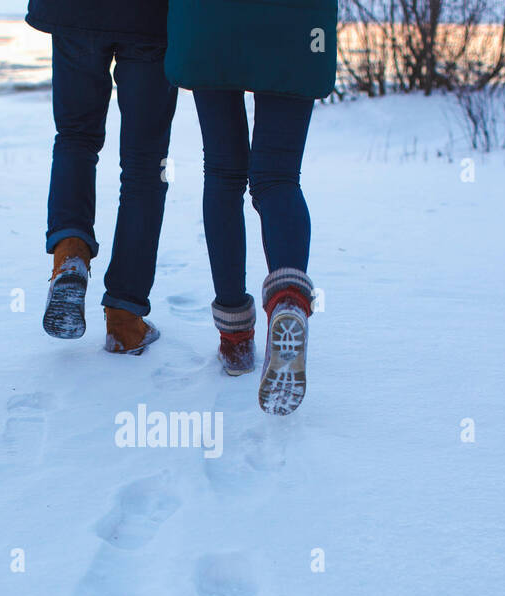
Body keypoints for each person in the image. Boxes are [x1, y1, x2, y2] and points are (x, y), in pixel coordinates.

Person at [165, 0, 337, 414]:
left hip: (212, 19)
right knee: (278, 177)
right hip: (296, 24)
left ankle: (236, 341)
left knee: (223, 173)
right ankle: (289, 301)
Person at [27, 0, 178, 355]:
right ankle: (125, 321)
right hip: (150, 19)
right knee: (145, 164)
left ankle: (70, 257)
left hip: (75, 12)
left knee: (75, 138)